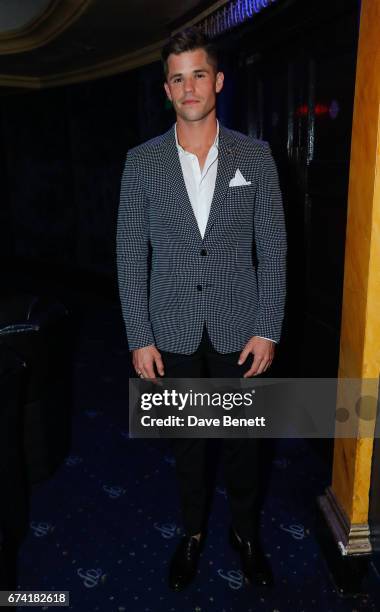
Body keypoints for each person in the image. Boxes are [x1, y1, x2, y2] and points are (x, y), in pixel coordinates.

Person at [116, 27, 287, 591]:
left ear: (217, 80)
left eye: (197, 74)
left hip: (241, 326)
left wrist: (268, 327)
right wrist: (140, 336)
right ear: (166, 90)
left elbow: (275, 246)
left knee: (243, 443)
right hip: (172, 330)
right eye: (176, 77)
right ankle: (192, 533)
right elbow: (129, 253)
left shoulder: (255, 157)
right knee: (188, 444)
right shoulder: (140, 164)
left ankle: (243, 532)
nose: (188, 87)